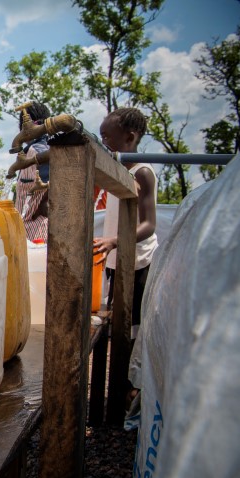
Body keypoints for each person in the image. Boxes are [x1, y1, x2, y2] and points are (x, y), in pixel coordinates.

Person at [92, 107, 158, 415]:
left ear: (130, 137)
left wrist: (116, 240)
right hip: (116, 260)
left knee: (130, 329)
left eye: (108, 136)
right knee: (114, 323)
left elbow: (149, 225)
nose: (104, 141)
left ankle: (128, 392)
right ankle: (117, 393)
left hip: (139, 262)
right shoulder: (115, 170)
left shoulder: (142, 171)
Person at [12, 101, 51, 242]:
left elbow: (57, 184)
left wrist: (43, 203)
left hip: (39, 231)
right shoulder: (30, 152)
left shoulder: (40, 151)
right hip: (27, 231)